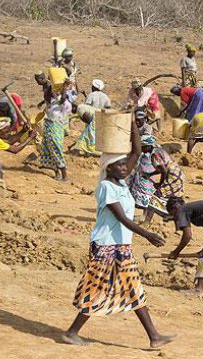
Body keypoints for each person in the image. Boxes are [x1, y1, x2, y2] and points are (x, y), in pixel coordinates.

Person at [63, 121, 175, 348]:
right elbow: (122, 218)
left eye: (126, 165)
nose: (125, 167)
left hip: (121, 246)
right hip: (106, 247)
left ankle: (154, 337)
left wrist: (132, 120)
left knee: (134, 289)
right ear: (109, 168)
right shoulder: (106, 186)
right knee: (98, 289)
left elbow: (135, 150)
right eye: (120, 165)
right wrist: (147, 234)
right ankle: (72, 332)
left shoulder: (122, 183)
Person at [129, 135, 184, 225]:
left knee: (154, 197)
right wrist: (149, 174)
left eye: (142, 147)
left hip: (172, 176)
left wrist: (160, 184)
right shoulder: (157, 150)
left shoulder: (155, 155)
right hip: (178, 174)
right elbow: (160, 169)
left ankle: (146, 222)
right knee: (175, 197)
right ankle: (180, 217)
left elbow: (164, 170)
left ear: (148, 146)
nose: (141, 149)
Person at [39, 90, 72, 181]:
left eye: (55, 91)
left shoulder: (62, 101)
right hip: (49, 129)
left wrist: (64, 87)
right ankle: (57, 172)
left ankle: (64, 175)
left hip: (56, 129)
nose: (53, 92)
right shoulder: (52, 102)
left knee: (56, 149)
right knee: (50, 150)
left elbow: (63, 98)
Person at [179, 88, 203, 156]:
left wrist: (181, 113)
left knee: (193, 137)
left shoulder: (183, 92)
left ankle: (188, 154)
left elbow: (186, 105)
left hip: (197, 119)